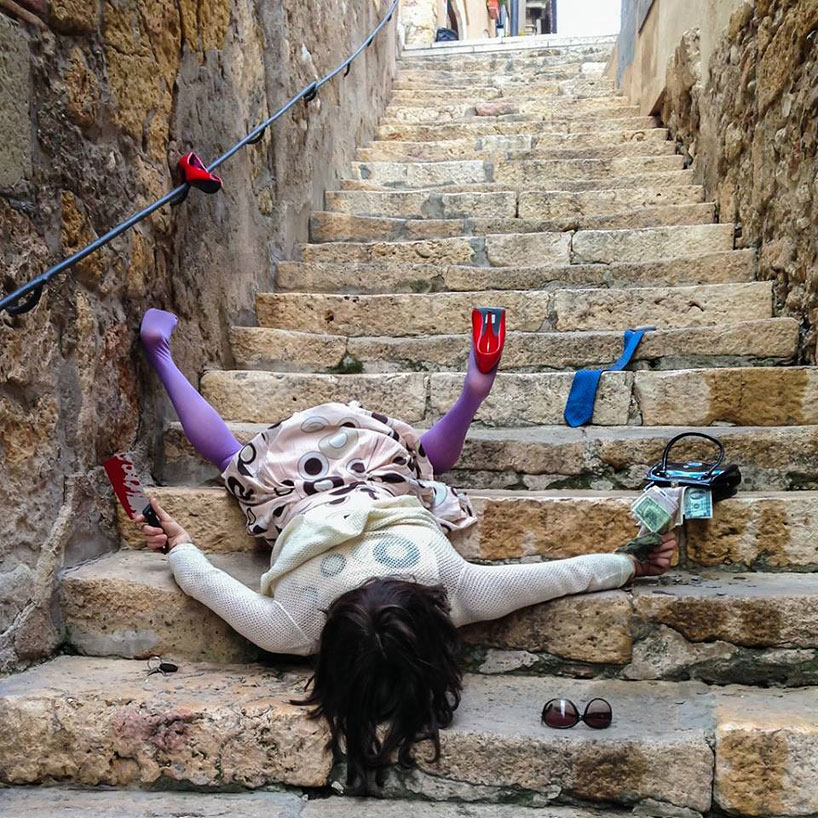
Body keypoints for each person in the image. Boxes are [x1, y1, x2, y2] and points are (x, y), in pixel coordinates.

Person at [135, 308, 678, 790]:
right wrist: (178, 541)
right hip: (302, 482)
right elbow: (202, 580)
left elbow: (560, 576)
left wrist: (631, 563)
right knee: (233, 461)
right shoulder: (291, 630)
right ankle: (161, 355)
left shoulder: (452, 588)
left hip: (374, 469)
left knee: (429, 462)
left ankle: (471, 395)